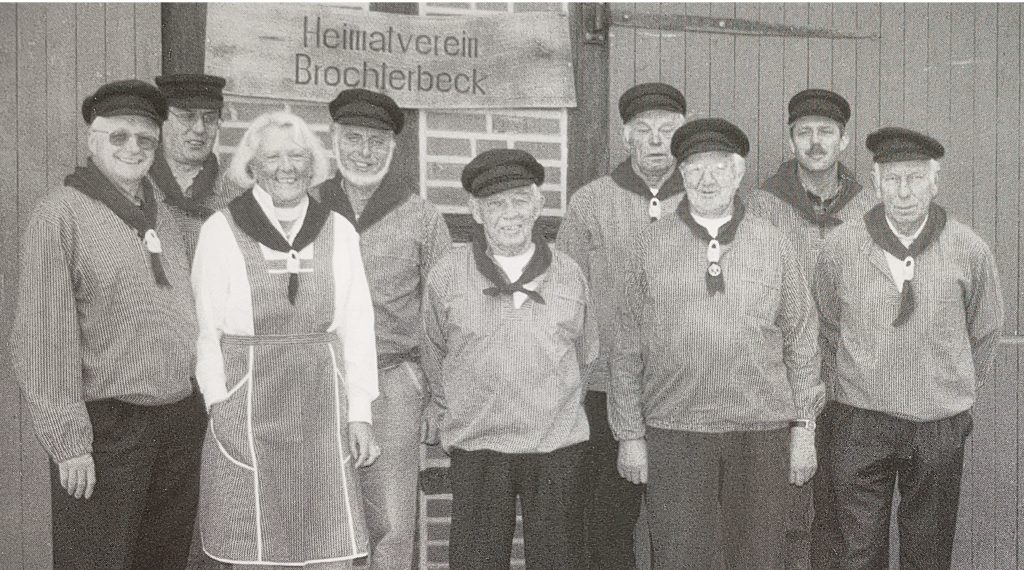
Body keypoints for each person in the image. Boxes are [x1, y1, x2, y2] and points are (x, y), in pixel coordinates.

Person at [610, 118, 824, 570]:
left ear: (738, 173)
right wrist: (630, 434)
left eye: (718, 168)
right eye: (694, 169)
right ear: (681, 175)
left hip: (760, 432)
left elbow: (802, 338)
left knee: (759, 558)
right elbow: (626, 347)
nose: (706, 180)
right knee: (679, 557)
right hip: (676, 431)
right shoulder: (647, 246)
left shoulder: (774, 244)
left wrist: (803, 427)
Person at [11, 79, 204, 569]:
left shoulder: (162, 214)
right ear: (92, 139)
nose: (132, 148)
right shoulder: (60, 215)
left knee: (161, 560)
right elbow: (42, 339)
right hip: (109, 430)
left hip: (177, 421)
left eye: (145, 139)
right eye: (118, 136)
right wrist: (69, 443)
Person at [191, 111, 381, 568]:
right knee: (256, 548)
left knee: (326, 548)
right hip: (249, 404)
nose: (286, 167)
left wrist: (360, 415)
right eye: (273, 156)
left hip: (322, 407)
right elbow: (205, 330)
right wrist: (220, 406)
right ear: (252, 166)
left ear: (313, 165)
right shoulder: (222, 229)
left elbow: (357, 327)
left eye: (297, 156)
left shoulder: (338, 230)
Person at [815, 127, 1004, 569]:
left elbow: (987, 329)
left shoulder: (967, 248)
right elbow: (825, 324)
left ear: (934, 183)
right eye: (893, 179)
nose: (904, 192)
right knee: (857, 551)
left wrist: (949, 388)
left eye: (915, 179)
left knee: (928, 551)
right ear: (877, 182)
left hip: (937, 425)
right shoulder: (842, 247)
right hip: (860, 422)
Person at [421, 149, 595, 570]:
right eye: (496, 204)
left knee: (559, 560)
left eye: (520, 200)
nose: (510, 214)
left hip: (554, 444)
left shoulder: (569, 272)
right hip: (480, 444)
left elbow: (586, 354)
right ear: (475, 211)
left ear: (538, 204)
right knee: (476, 561)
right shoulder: (447, 274)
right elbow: (434, 351)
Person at [317, 88, 452, 570]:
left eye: (377, 142)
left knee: (391, 521)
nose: (364, 151)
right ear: (333, 140)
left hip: (393, 382)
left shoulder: (421, 216)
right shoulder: (308, 208)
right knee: (325, 514)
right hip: (320, 380)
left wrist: (438, 395)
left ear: (393, 148)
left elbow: (442, 315)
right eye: (353, 138)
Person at [555, 82, 686, 570]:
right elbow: (565, 295)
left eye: (668, 131)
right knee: (606, 524)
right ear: (626, 137)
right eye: (644, 131)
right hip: (606, 390)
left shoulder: (706, 200)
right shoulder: (591, 202)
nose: (656, 141)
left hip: (681, 393)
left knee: (679, 526)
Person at [746, 88, 876, 570]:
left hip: (851, 386)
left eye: (826, 132)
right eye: (805, 133)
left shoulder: (870, 208)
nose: (816, 142)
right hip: (780, 386)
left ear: (844, 140)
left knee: (845, 511)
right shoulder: (761, 206)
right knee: (785, 510)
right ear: (791, 139)